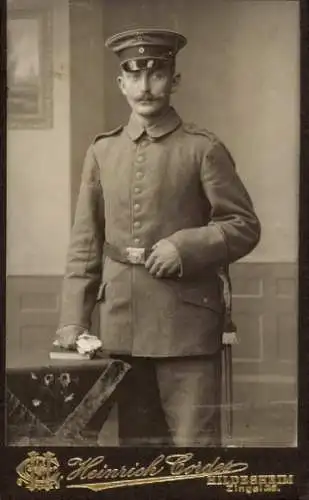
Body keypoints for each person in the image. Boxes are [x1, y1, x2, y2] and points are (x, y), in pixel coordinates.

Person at [56, 28, 261, 446]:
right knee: (137, 455)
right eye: (134, 75)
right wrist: (73, 321)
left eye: (157, 74)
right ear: (121, 83)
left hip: (185, 329)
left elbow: (243, 225)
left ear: (175, 81)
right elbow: (85, 244)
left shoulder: (202, 149)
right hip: (121, 329)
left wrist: (183, 247)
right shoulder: (102, 151)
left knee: (194, 454)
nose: (145, 87)